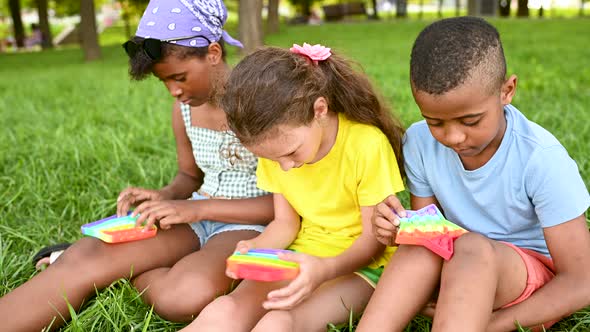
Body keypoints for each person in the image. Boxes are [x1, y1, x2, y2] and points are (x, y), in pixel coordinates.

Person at [0, 1, 273, 331]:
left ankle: (124, 270)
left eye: (180, 77)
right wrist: (164, 195)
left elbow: (290, 204)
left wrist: (197, 211)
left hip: (252, 225)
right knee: (86, 258)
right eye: (165, 82)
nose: (175, 91)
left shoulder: (263, 105)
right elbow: (189, 176)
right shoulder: (184, 109)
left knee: (182, 297)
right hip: (195, 211)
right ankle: (99, 265)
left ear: (213, 53)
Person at [357, 16, 590, 332]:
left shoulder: (540, 158)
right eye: (435, 123)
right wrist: (398, 230)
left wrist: (492, 324)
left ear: (507, 91)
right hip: (459, 273)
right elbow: (432, 232)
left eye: (470, 121)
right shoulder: (420, 143)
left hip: (525, 284)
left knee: (471, 248)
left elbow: (581, 282)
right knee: (422, 245)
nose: (453, 137)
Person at [181, 43, 406, 331]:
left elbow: (372, 242)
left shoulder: (366, 145)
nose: (285, 167)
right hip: (299, 254)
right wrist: (255, 247)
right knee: (228, 308)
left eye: (291, 153)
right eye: (273, 159)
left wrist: (324, 269)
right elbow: (285, 224)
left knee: (279, 321)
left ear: (320, 110)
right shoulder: (275, 150)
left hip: (361, 268)